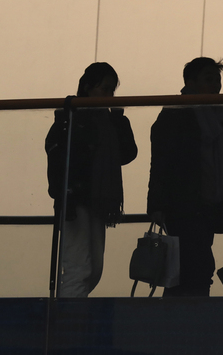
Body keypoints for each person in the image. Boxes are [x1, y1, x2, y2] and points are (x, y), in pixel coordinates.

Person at [147, 57, 223, 297]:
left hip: (208, 206)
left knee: (190, 268)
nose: (215, 86)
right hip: (183, 205)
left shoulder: (222, 121)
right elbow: (161, 163)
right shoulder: (177, 115)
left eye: (217, 80)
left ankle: (183, 322)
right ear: (190, 82)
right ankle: (188, 321)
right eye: (208, 79)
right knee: (196, 266)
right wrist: (157, 204)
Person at [45, 62, 138, 297]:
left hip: (94, 200)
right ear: (87, 88)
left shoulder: (103, 121)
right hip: (77, 200)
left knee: (93, 268)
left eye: (111, 91)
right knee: (80, 267)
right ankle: (71, 324)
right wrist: (63, 194)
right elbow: (58, 159)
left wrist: (118, 118)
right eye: (104, 89)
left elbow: (127, 153)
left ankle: (72, 319)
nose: (108, 96)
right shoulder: (71, 118)